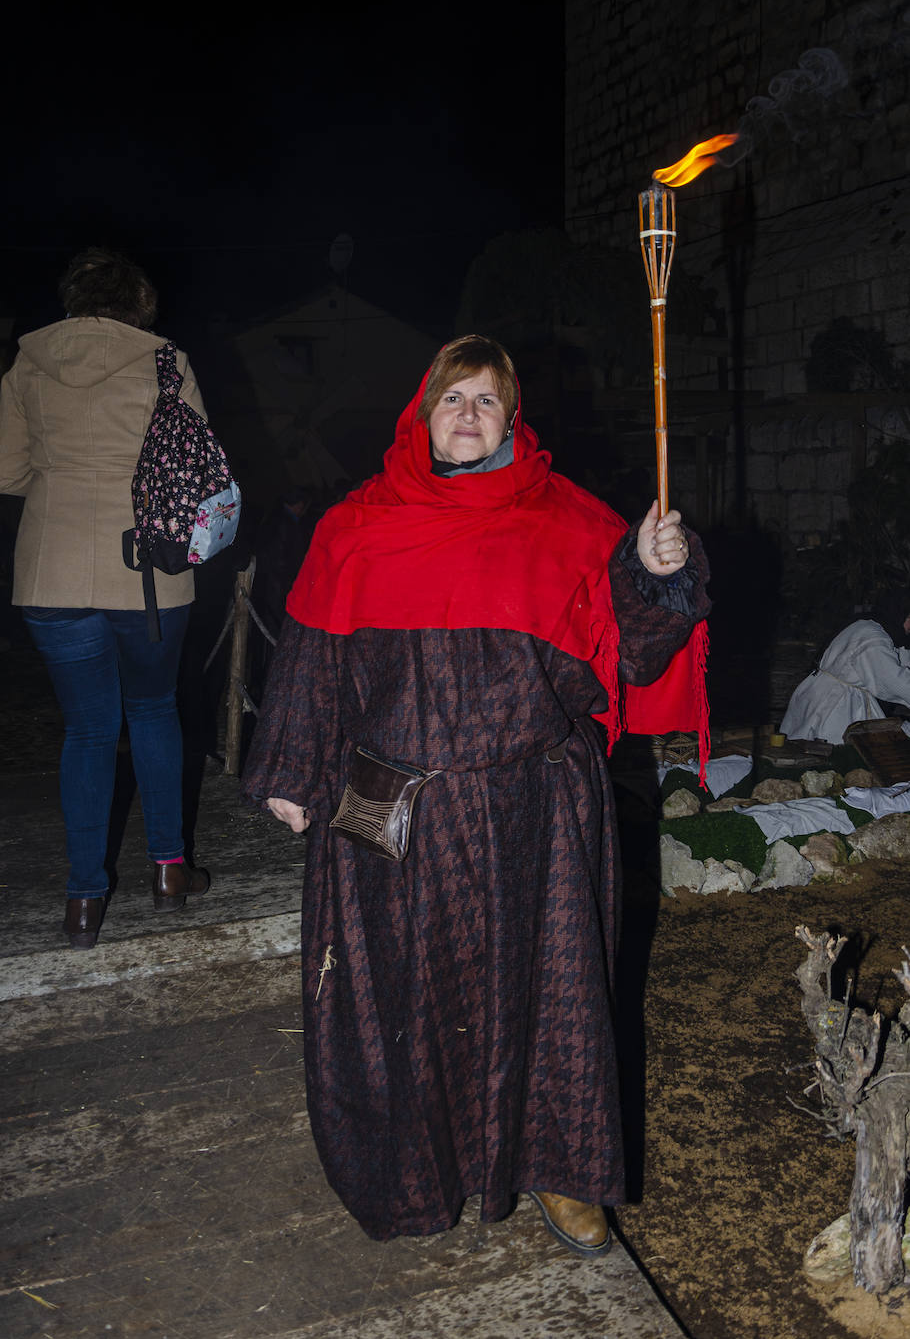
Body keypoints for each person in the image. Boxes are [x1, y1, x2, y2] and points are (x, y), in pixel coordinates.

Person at [242, 335, 710, 1256]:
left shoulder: (567, 521)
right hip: (391, 801)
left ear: (512, 419)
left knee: (554, 997)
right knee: (396, 1000)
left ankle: (560, 1169)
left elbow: (629, 654)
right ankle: (413, 1172)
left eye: (487, 400)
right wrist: (291, 772)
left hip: (533, 805)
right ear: (423, 415)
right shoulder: (357, 524)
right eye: (452, 398)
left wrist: (656, 575)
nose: (468, 414)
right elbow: (310, 654)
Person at [0, 248, 210, 950]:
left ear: (73, 299)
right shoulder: (166, 361)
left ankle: (84, 900)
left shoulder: (28, 364)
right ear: (140, 306)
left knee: (87, 730)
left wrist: (61, 484)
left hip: (52, 571)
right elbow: (195, 468)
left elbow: (5, 470)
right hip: (150, 571)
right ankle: (170, 871)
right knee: (153, 710)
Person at [780, 593, 910, 745]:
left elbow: (903, 663)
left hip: (840, 697)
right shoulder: (872, 635)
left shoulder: (887, 633)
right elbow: (892, 680)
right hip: (834, 704)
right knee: (830, 751)